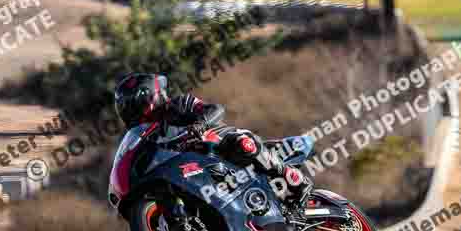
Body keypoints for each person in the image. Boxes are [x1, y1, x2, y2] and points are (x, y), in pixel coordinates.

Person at [113, 72, 313, 207]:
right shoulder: (150, 136)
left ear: (145, 97)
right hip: (196, 169)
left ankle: (292, 178)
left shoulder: (178, 105)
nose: (128, 111)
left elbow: (215, 110)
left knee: (243, 144)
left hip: (219, 146)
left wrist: (199, 124)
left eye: (129, 105)